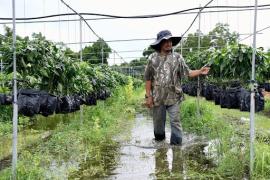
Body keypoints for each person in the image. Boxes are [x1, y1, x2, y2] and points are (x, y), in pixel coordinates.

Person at [144, 30, 210, 145]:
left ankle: (176, 147)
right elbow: (148, 78)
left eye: (170, 41)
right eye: (165, 41)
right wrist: (148, 96)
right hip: (158, 98)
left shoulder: (177, 58)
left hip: (175, 96)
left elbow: (187, 73)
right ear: (160, 43)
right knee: (158, 124)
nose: (168, 43)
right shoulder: (152, 59)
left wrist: (200, 71)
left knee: (175, 121)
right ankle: (159, 144)